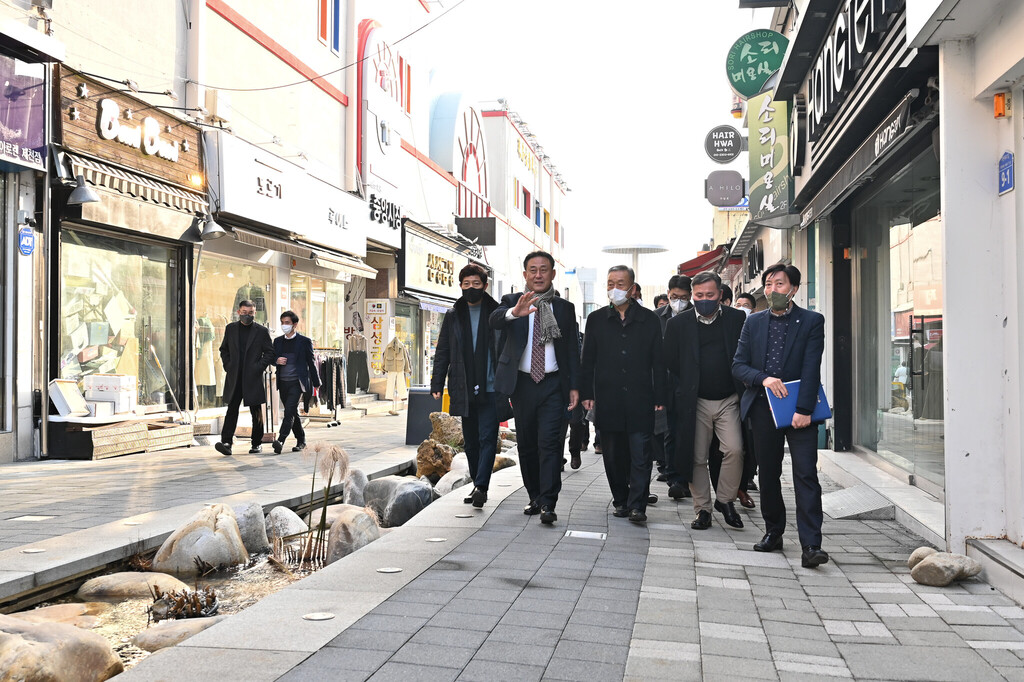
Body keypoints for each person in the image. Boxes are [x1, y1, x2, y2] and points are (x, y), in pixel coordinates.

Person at [733, 263, 829, 568]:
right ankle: (773, 531)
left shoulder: (811, 321)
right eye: (768, 284)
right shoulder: (753, 322)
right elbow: (738, 365)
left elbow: (811, 367)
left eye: (780, 284)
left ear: (794, 289)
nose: (772, 289)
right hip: (763, 408)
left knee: (806, 474)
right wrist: (763, 378)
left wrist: (804, 410)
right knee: (768, 473)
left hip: (800, 410)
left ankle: (811, 544)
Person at [491, 251, 580, 525]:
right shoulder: (511, 302)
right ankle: (535, 496)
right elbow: (494, 319)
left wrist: (575, 386)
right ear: (525, 274)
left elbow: (572, 350)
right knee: (527, 444)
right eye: (533, 270)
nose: (538, 275)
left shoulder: (564, 308)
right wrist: (513, 314)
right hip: (522, 384)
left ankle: (549, 502)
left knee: (550, 444)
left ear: (553, 274)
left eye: (543, 270)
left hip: (553, 384)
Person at [580, 266, 665, 525]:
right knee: (613, 455)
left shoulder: (649, 320)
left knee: (641, 453)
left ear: (632, 288)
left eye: (620, 283)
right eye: (610, 283)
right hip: (608, 397)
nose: (614, 289)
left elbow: (658, 361)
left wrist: (660, 395)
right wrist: (587, 393)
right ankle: (620, 499)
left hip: (641, 397)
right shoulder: (596, 319)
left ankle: (638, 505)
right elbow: (587, 360)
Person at [664, 271, 747, 531]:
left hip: (729, 399)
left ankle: (725, 500)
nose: (704, 300)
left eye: (709, 295)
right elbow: (672, 361)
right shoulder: (678, 324)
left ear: (720, 295)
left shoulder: (737, 319)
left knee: (735, 449)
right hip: (696, 400)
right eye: (698, 295)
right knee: (697, 457)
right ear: (692, 296)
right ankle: (702, 510)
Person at [431, 263, 500, 508]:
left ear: (485, 286)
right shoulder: (453, 315)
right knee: (470, 441)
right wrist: (437, 381)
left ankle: (481, 486)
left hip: (491, 386)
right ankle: (477, 483)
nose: (471, 288)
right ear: (460, 285)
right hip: (463, 385)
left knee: (487, 437)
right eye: (466, 284)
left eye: (476, 284)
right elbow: (443, 350)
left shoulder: (496, 313)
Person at [215, 300, 275, 456]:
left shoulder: (261, 331)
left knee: (256, 412)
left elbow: (269, 352)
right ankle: (226, 443)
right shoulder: (231, 328)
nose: (247, 315)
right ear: (238, 312)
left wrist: (258, 367)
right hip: (234, 377)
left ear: (255, 313)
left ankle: (257, 443)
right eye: (244, 312)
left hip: (252, 377)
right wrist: (228, 365)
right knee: (232, 409)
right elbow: (224, 349)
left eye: (250, 313)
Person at [654, 275, 692, 498]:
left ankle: (685, 477)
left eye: (684, 297)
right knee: (669, 431)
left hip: (690, 381)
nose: (679, 301)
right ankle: (674, 477)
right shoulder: (656, 317)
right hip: (664, 382)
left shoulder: (697, 315)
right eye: (675, 297)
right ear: (668, 294)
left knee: (686, 431)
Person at [271, 311, 321, 454]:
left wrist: (316, 382)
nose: (284, 325)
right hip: (282, 382)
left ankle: (280, 440)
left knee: (288, 411)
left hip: (297, 383)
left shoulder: (304, 341)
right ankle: (301, 440)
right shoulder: (278, 341)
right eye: (282, 322)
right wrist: (276, 360)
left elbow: (311, 362)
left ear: (295, 324)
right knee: (292, 412)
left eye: (287, 322)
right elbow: (272, 358)